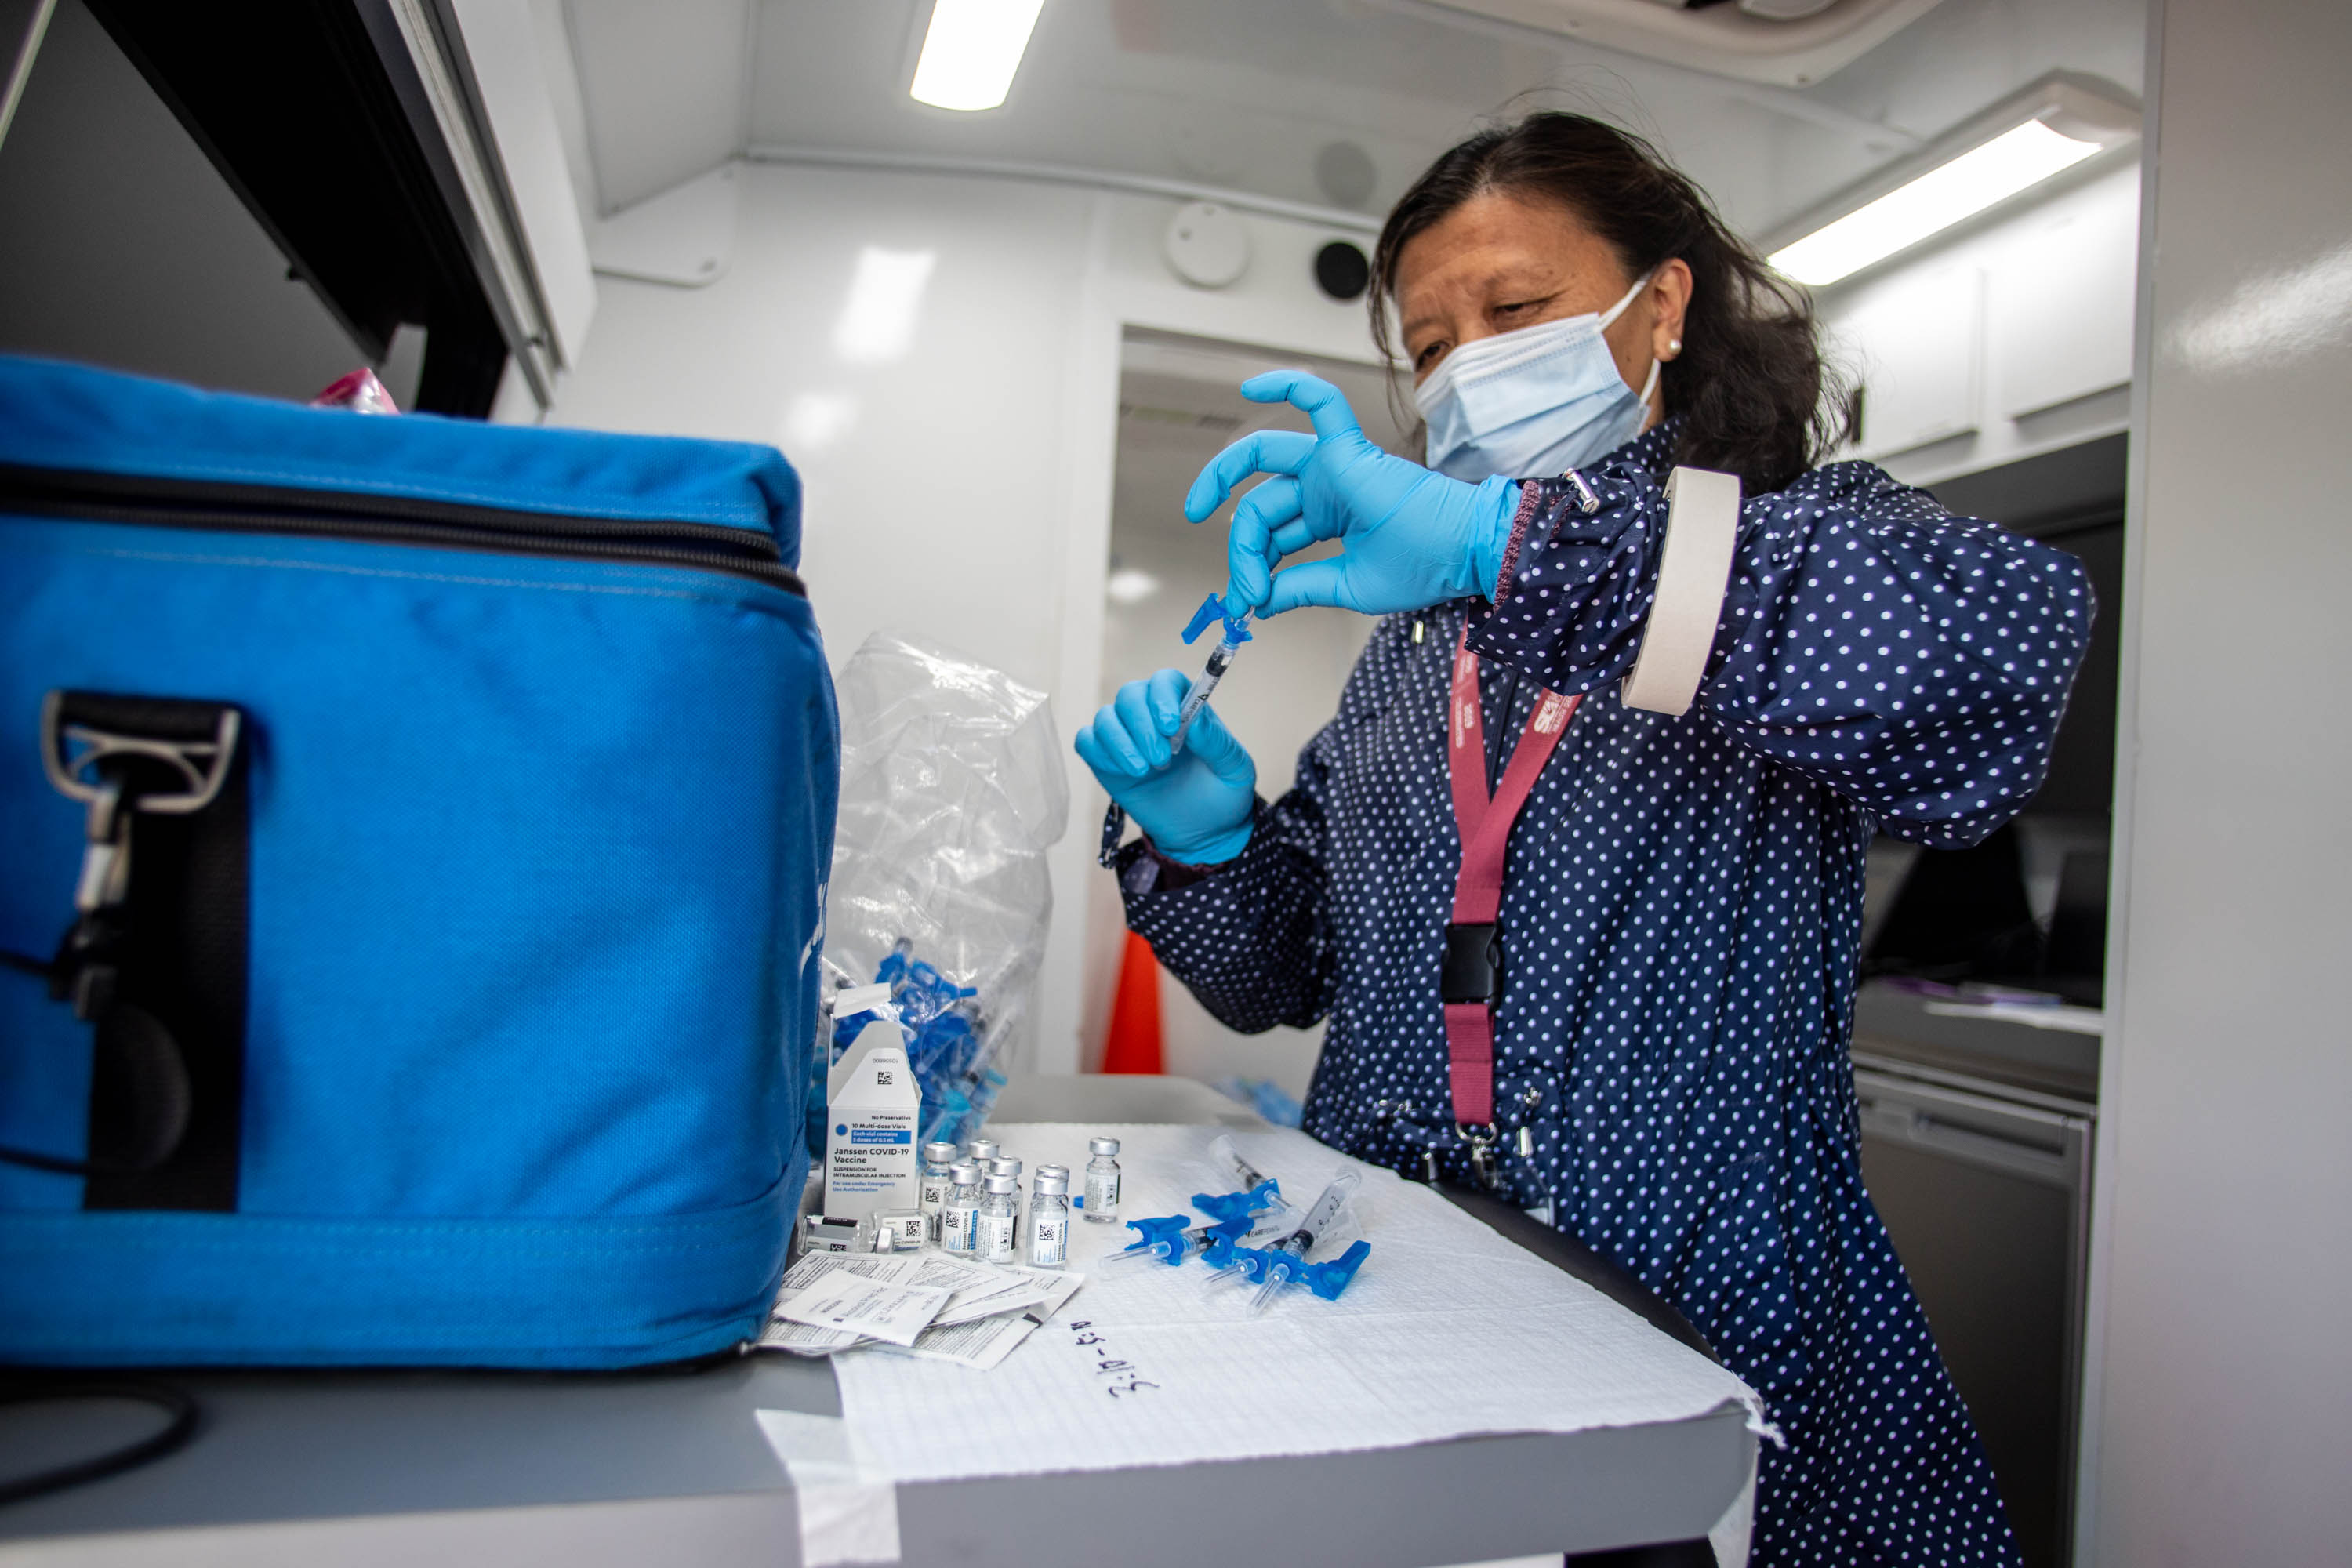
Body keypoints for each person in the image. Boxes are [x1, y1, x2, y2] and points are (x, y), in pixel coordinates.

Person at [1076, 113, 2090, 1566]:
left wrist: (1515, 545)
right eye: (1428, 345)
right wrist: (1216, 842)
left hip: (1696, 1261)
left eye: (1516, 309)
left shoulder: (1798, 538)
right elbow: (1290, 976)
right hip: (1405, 1261)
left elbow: (1997, 666)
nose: (1466, 367)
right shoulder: (1420, 647)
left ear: (1662, 305)